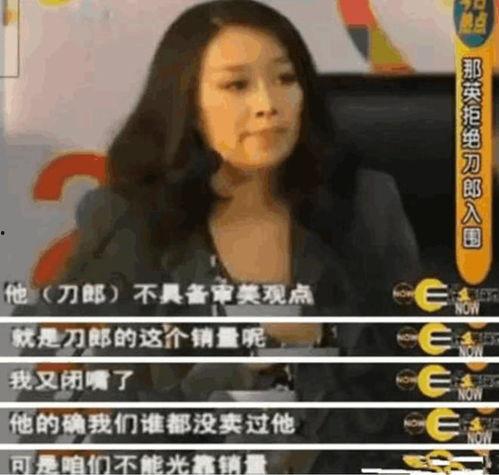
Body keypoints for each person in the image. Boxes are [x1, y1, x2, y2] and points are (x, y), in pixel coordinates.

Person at [14, 0, 421, 472]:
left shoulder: (364, 206)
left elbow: (414, 371)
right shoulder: (132, 221)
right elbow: (86, 397)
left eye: (285, 79)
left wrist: (325, 337)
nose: (268, 104)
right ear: (188, 106)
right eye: (237, 85)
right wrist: (231, 363)